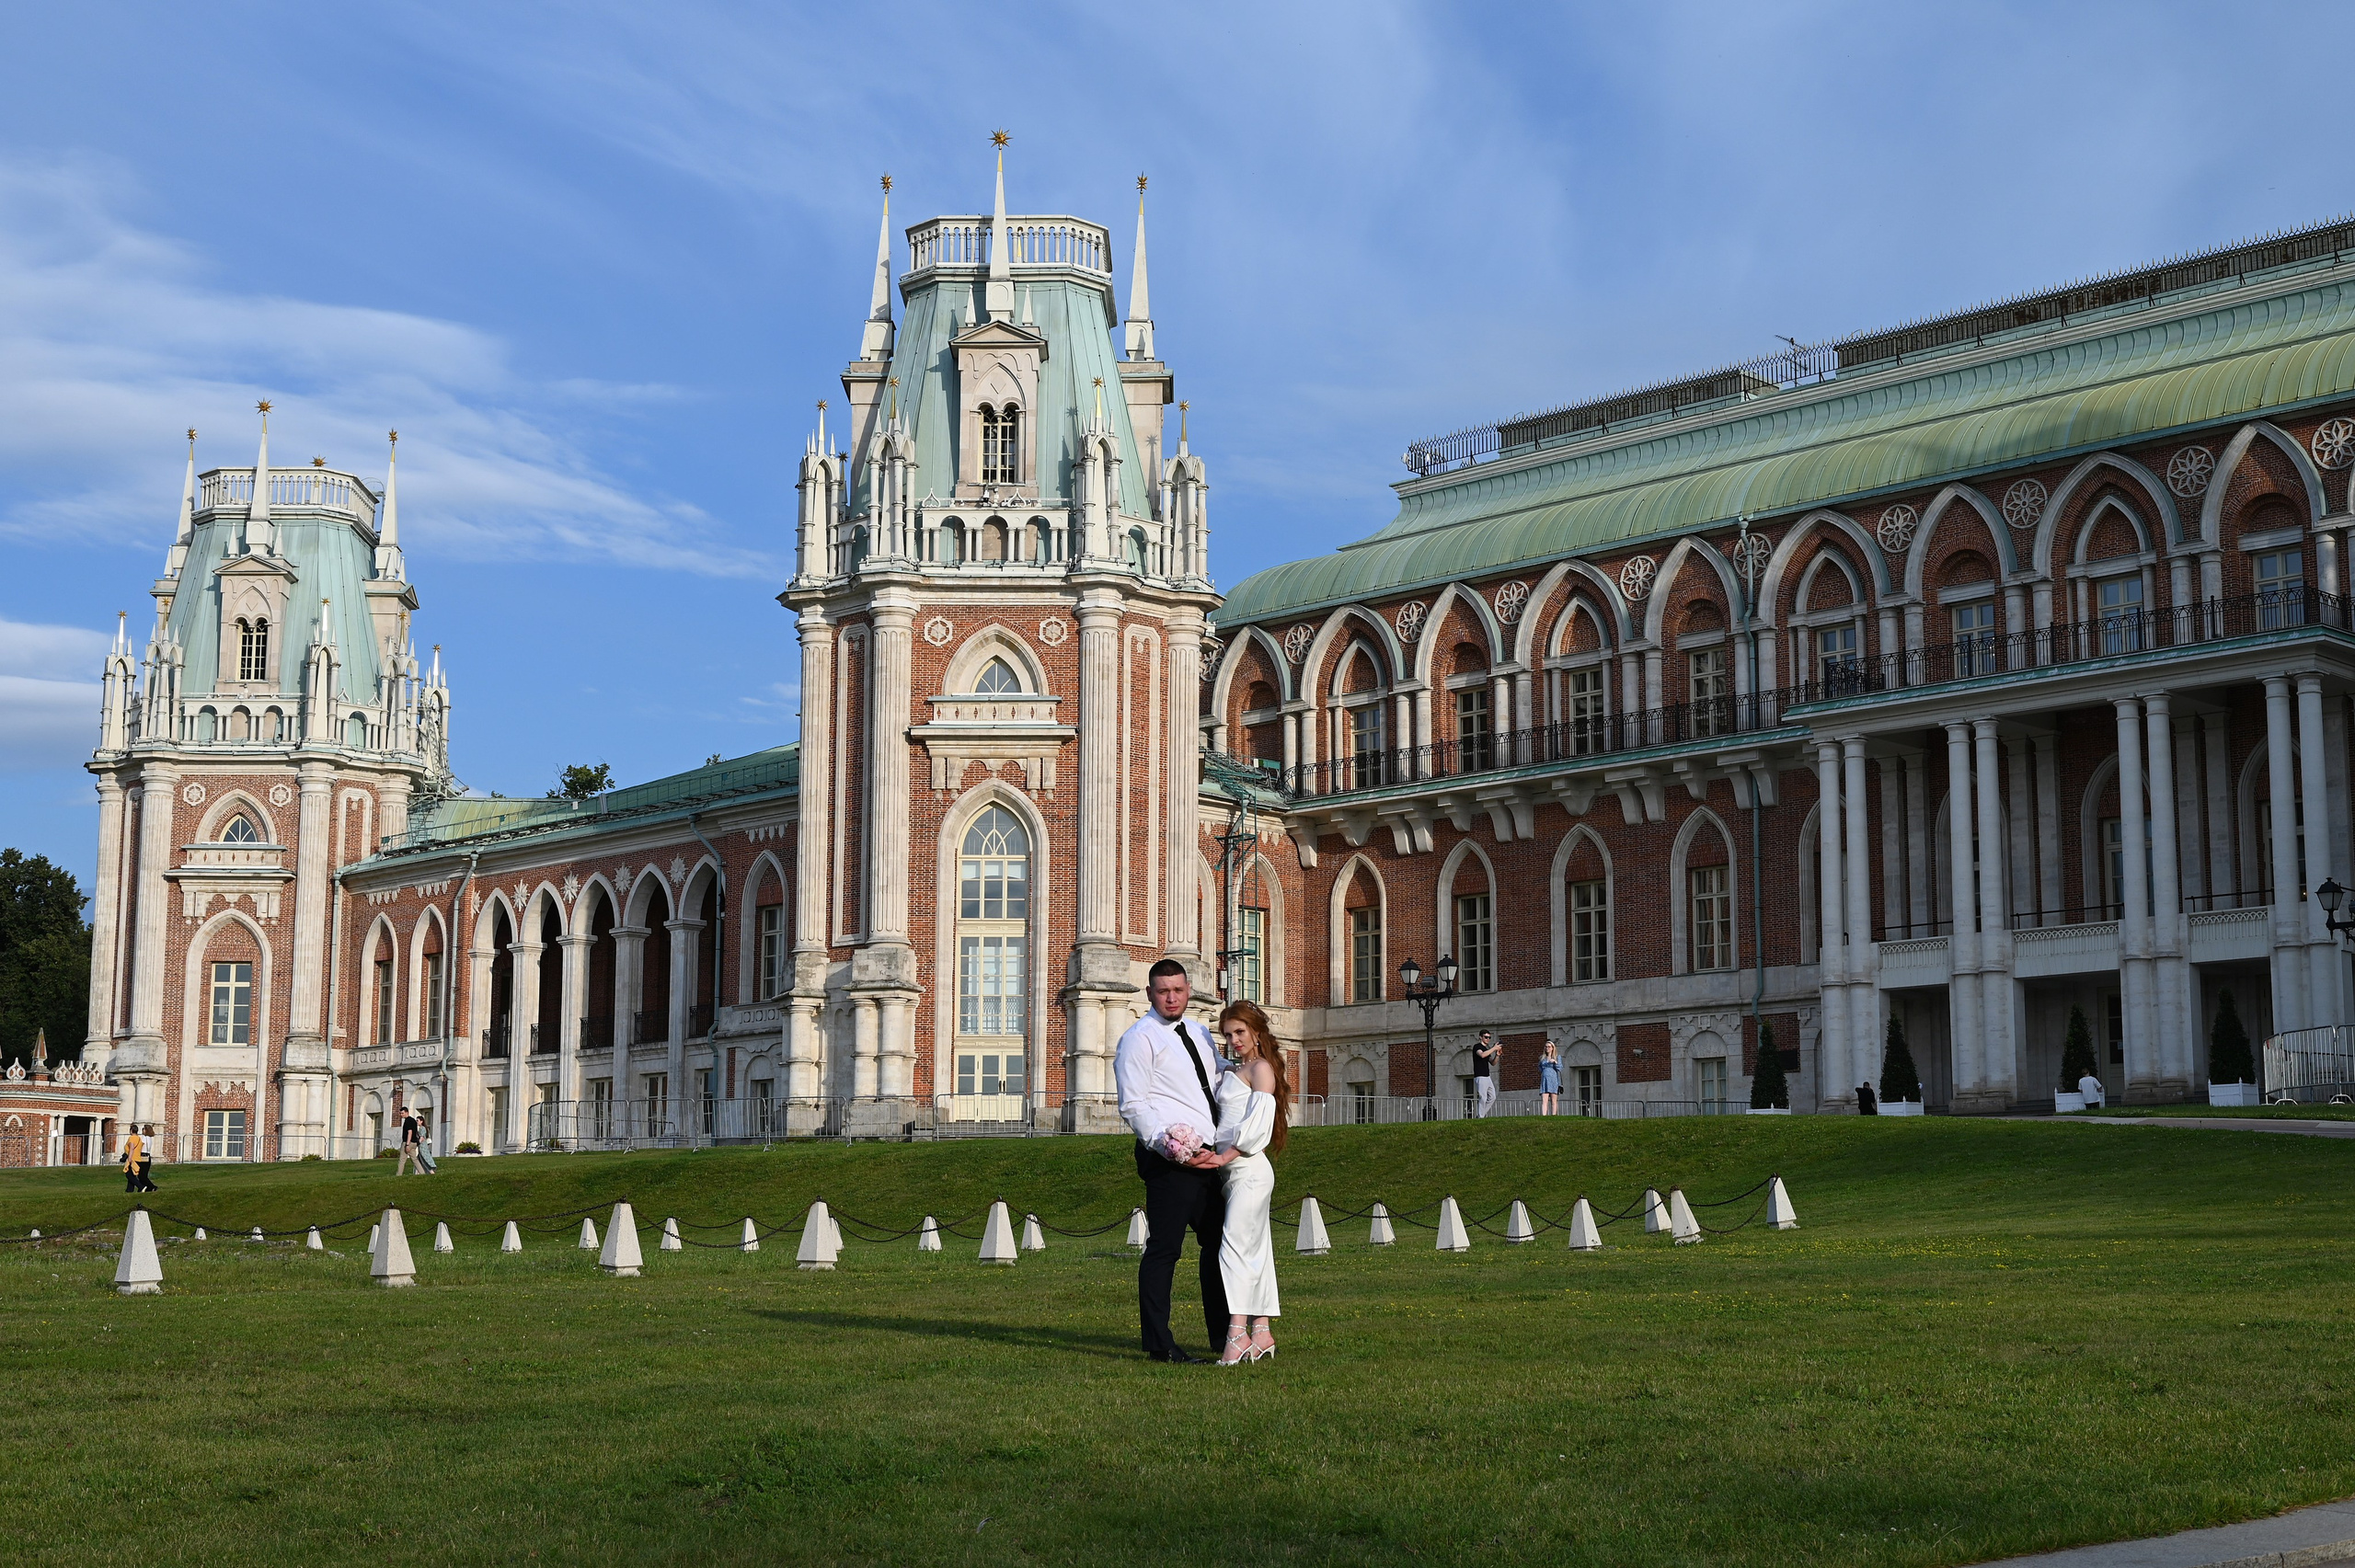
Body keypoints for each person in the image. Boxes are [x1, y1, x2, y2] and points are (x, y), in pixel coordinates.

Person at [1113, 957, 1233, 1364]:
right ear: (1149, 993)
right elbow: (1134, 1105)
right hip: (1171, 1161)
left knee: (1218, 1246)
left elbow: (1217, 1080)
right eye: (1163, 991)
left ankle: (1223, 1337)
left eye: (1178, 990)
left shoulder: (1199, 1032)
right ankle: (1160, 1344)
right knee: (1164, 1250)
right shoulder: (1138, 1038)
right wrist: (1173, 1148)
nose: (1171, 997)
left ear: (1187, 991)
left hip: (1210, 1157)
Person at [1199, 1000, 1288, 1365]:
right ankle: (1262, 1331)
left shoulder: (1262, 1068)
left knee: (1234, 1249)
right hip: (1235, 1174)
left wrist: (1224, 1156)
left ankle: (1236, 1335)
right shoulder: (1238, 1068)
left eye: (1239, 1032)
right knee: (1255, 1250)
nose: (1234, 1039)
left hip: (1249, 1169)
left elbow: (1259, 1124)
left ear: (1255, 1031)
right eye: (1228, 1034)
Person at [1472, 1031, 1500, 1117]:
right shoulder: (1477, 1047)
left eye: (1489, 1037)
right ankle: (1480, 1116)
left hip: (1487, 1076)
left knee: (1492, 1097)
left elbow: (1493, 1062)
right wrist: (1494, 1048)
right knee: (1483, 1097)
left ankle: (1481, 1114)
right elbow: (1482, 1055)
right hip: (1480, 1076)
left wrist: (1497, 1055)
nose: (1488, 1039)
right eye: (1486, 1037)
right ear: (1481, 1037)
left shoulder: (1487, 1048)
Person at [395, 1107, 425, 1176]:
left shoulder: (408, 1121)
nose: (401, 1115)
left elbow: (410, 1132)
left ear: (407, 1112)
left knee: (402, 1160)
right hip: (414, 1143)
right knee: (414, 1159)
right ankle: (422, 1173)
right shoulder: (413, 1121)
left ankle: (398, 1175)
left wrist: (407, 1144)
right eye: (400, 1113)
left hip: (408, 1142)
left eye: (402, 1113)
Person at [1538, 1040, 1562, 1116]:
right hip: (1544, 1080)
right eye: (1546, 1047)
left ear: (1552, 1048)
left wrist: (1555, 1062)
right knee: (1544, 1100)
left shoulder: (1557, 1057)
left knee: (1553, 1100)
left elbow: (1560, 1068)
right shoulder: (1542, 1058)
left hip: (1553, 1080)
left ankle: (1554, 1115)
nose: (1547, 1048)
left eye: (1549, 1047)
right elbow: (1540, 1067)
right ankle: (1544, 1115)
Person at [120, 1124, 144, 1195]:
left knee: (128, 1174)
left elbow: (132, 1148)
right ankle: (129, 1190)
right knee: (132, 1175)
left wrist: (129, 1158)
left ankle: (141, 1187)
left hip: (132, 1158)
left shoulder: (131, 1138)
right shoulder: (139, 1138)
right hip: (138, 1158)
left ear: (131, 1130)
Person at [137, 1124, 157, 1192]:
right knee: (144, 1174)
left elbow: (140, 1146)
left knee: (141, 1175)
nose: (142, 1130)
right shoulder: (150, 1138)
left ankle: (151, 1186)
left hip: (143, 1155)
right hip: (148, 1156)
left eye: (143, 1129)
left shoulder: (143, 1137)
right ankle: (146, 1187)